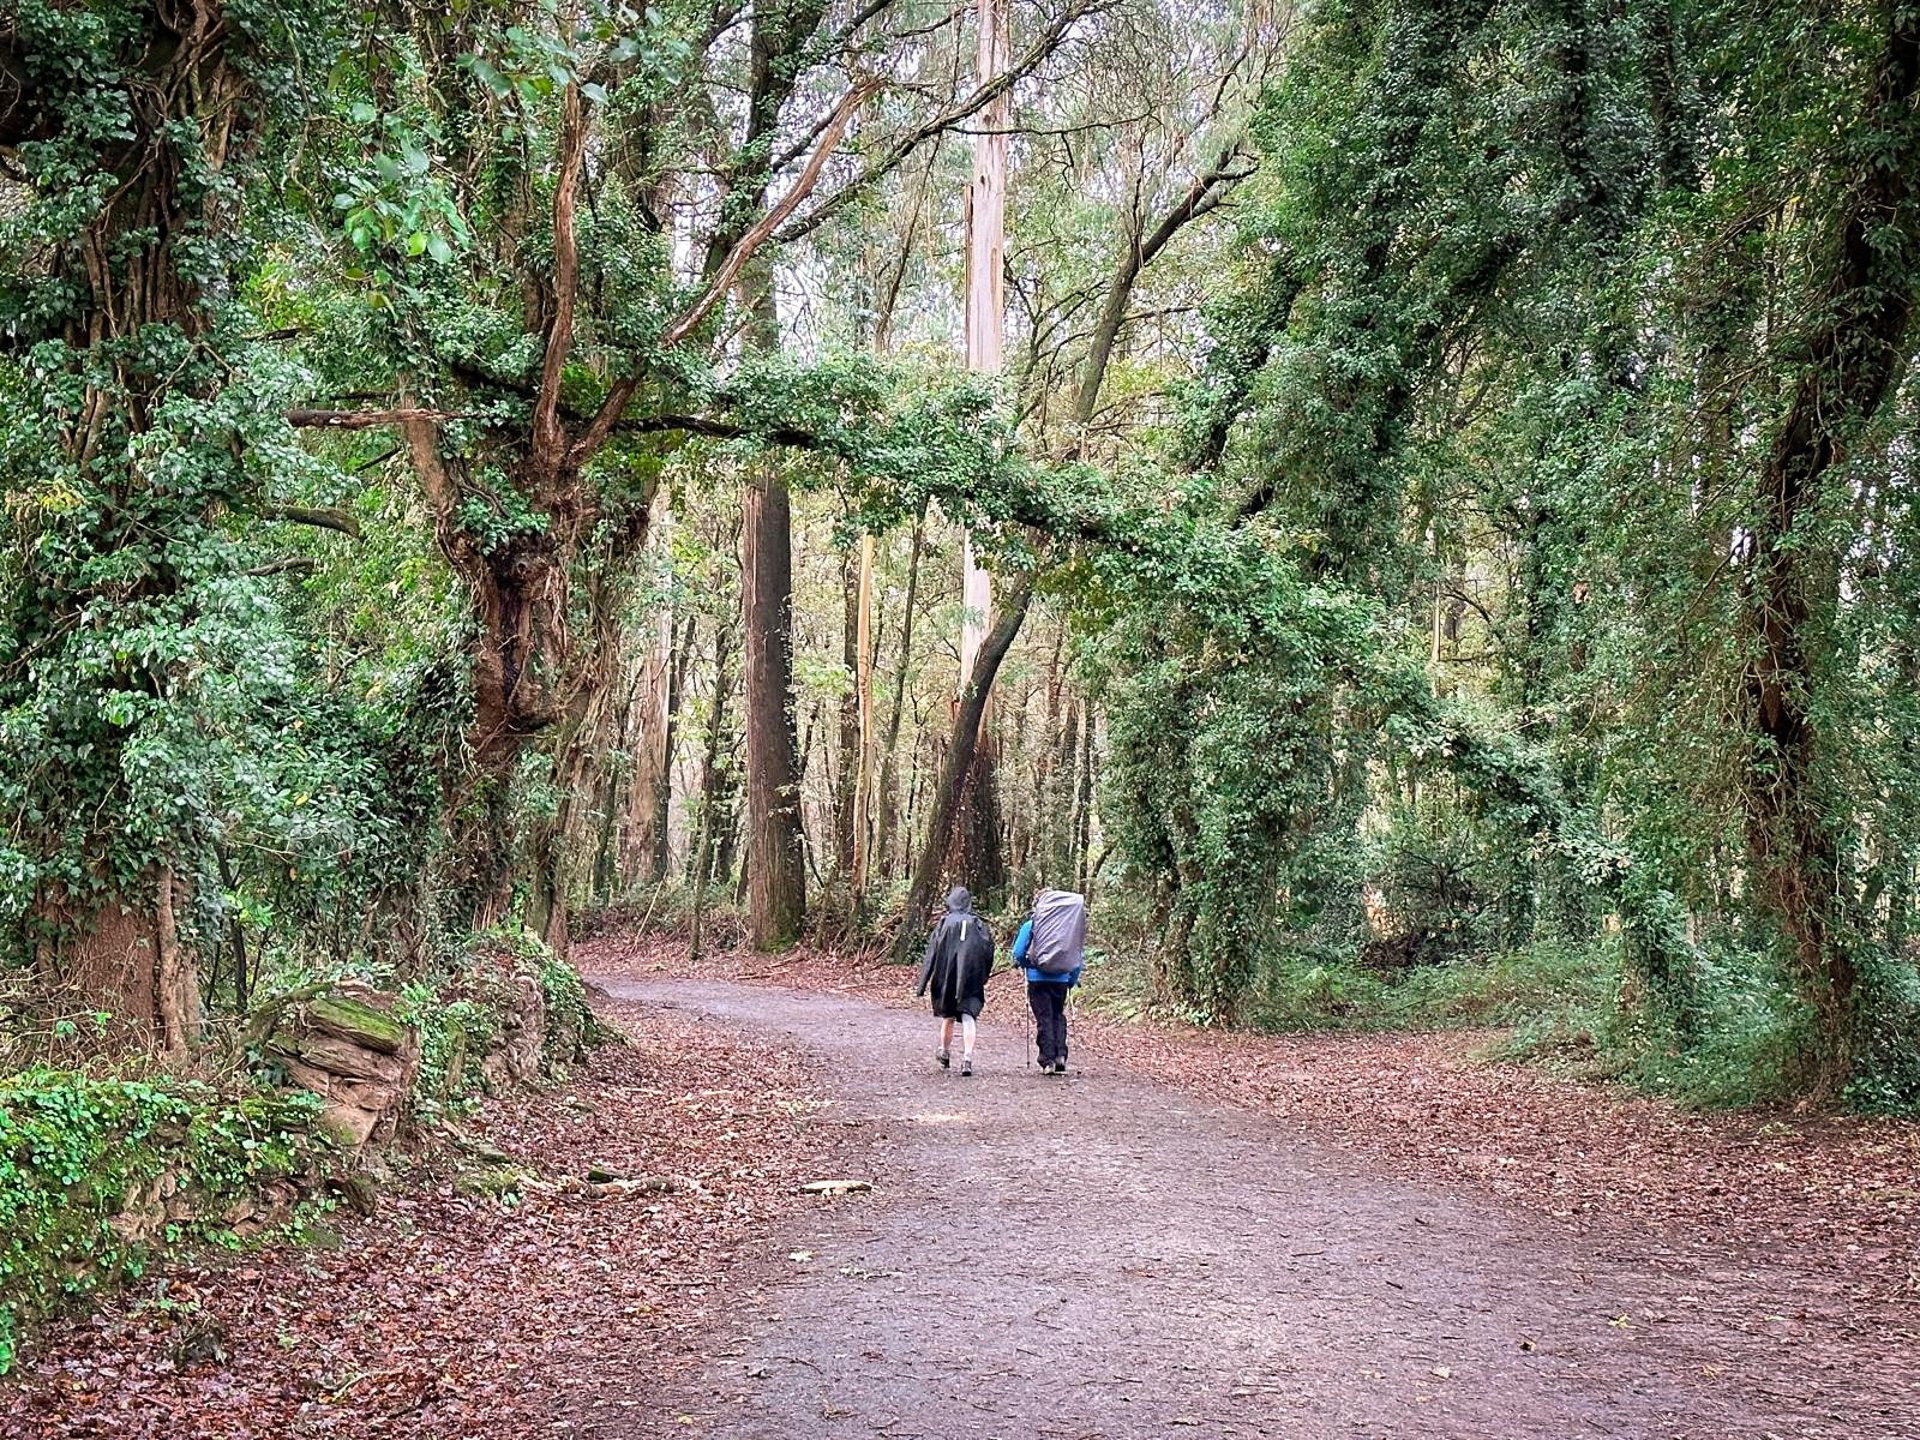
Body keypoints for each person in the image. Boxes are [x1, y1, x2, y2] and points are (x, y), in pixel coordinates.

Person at [914, 885, 995, 1076]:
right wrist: (984, 975)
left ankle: (944, 1051)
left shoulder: (944, 923)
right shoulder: (979, 925)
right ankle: (967, 1058)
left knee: (948, 1016)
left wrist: (922, 984)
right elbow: (988, 951)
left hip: (946, 977)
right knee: (968, 1017)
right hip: (971, 979)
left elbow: (932, 952)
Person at [1012, 888, 1086, 1075]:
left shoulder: (1032, 925)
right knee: (1057, 1016)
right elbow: (1076, 955)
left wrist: (1026, 964)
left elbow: (1019, 952)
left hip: (1038, 978)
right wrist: (1072, 978)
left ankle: (1048, 1060)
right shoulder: (1069, 928)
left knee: (1044, 1018)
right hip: (1061, 978)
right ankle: (1060, 1055)